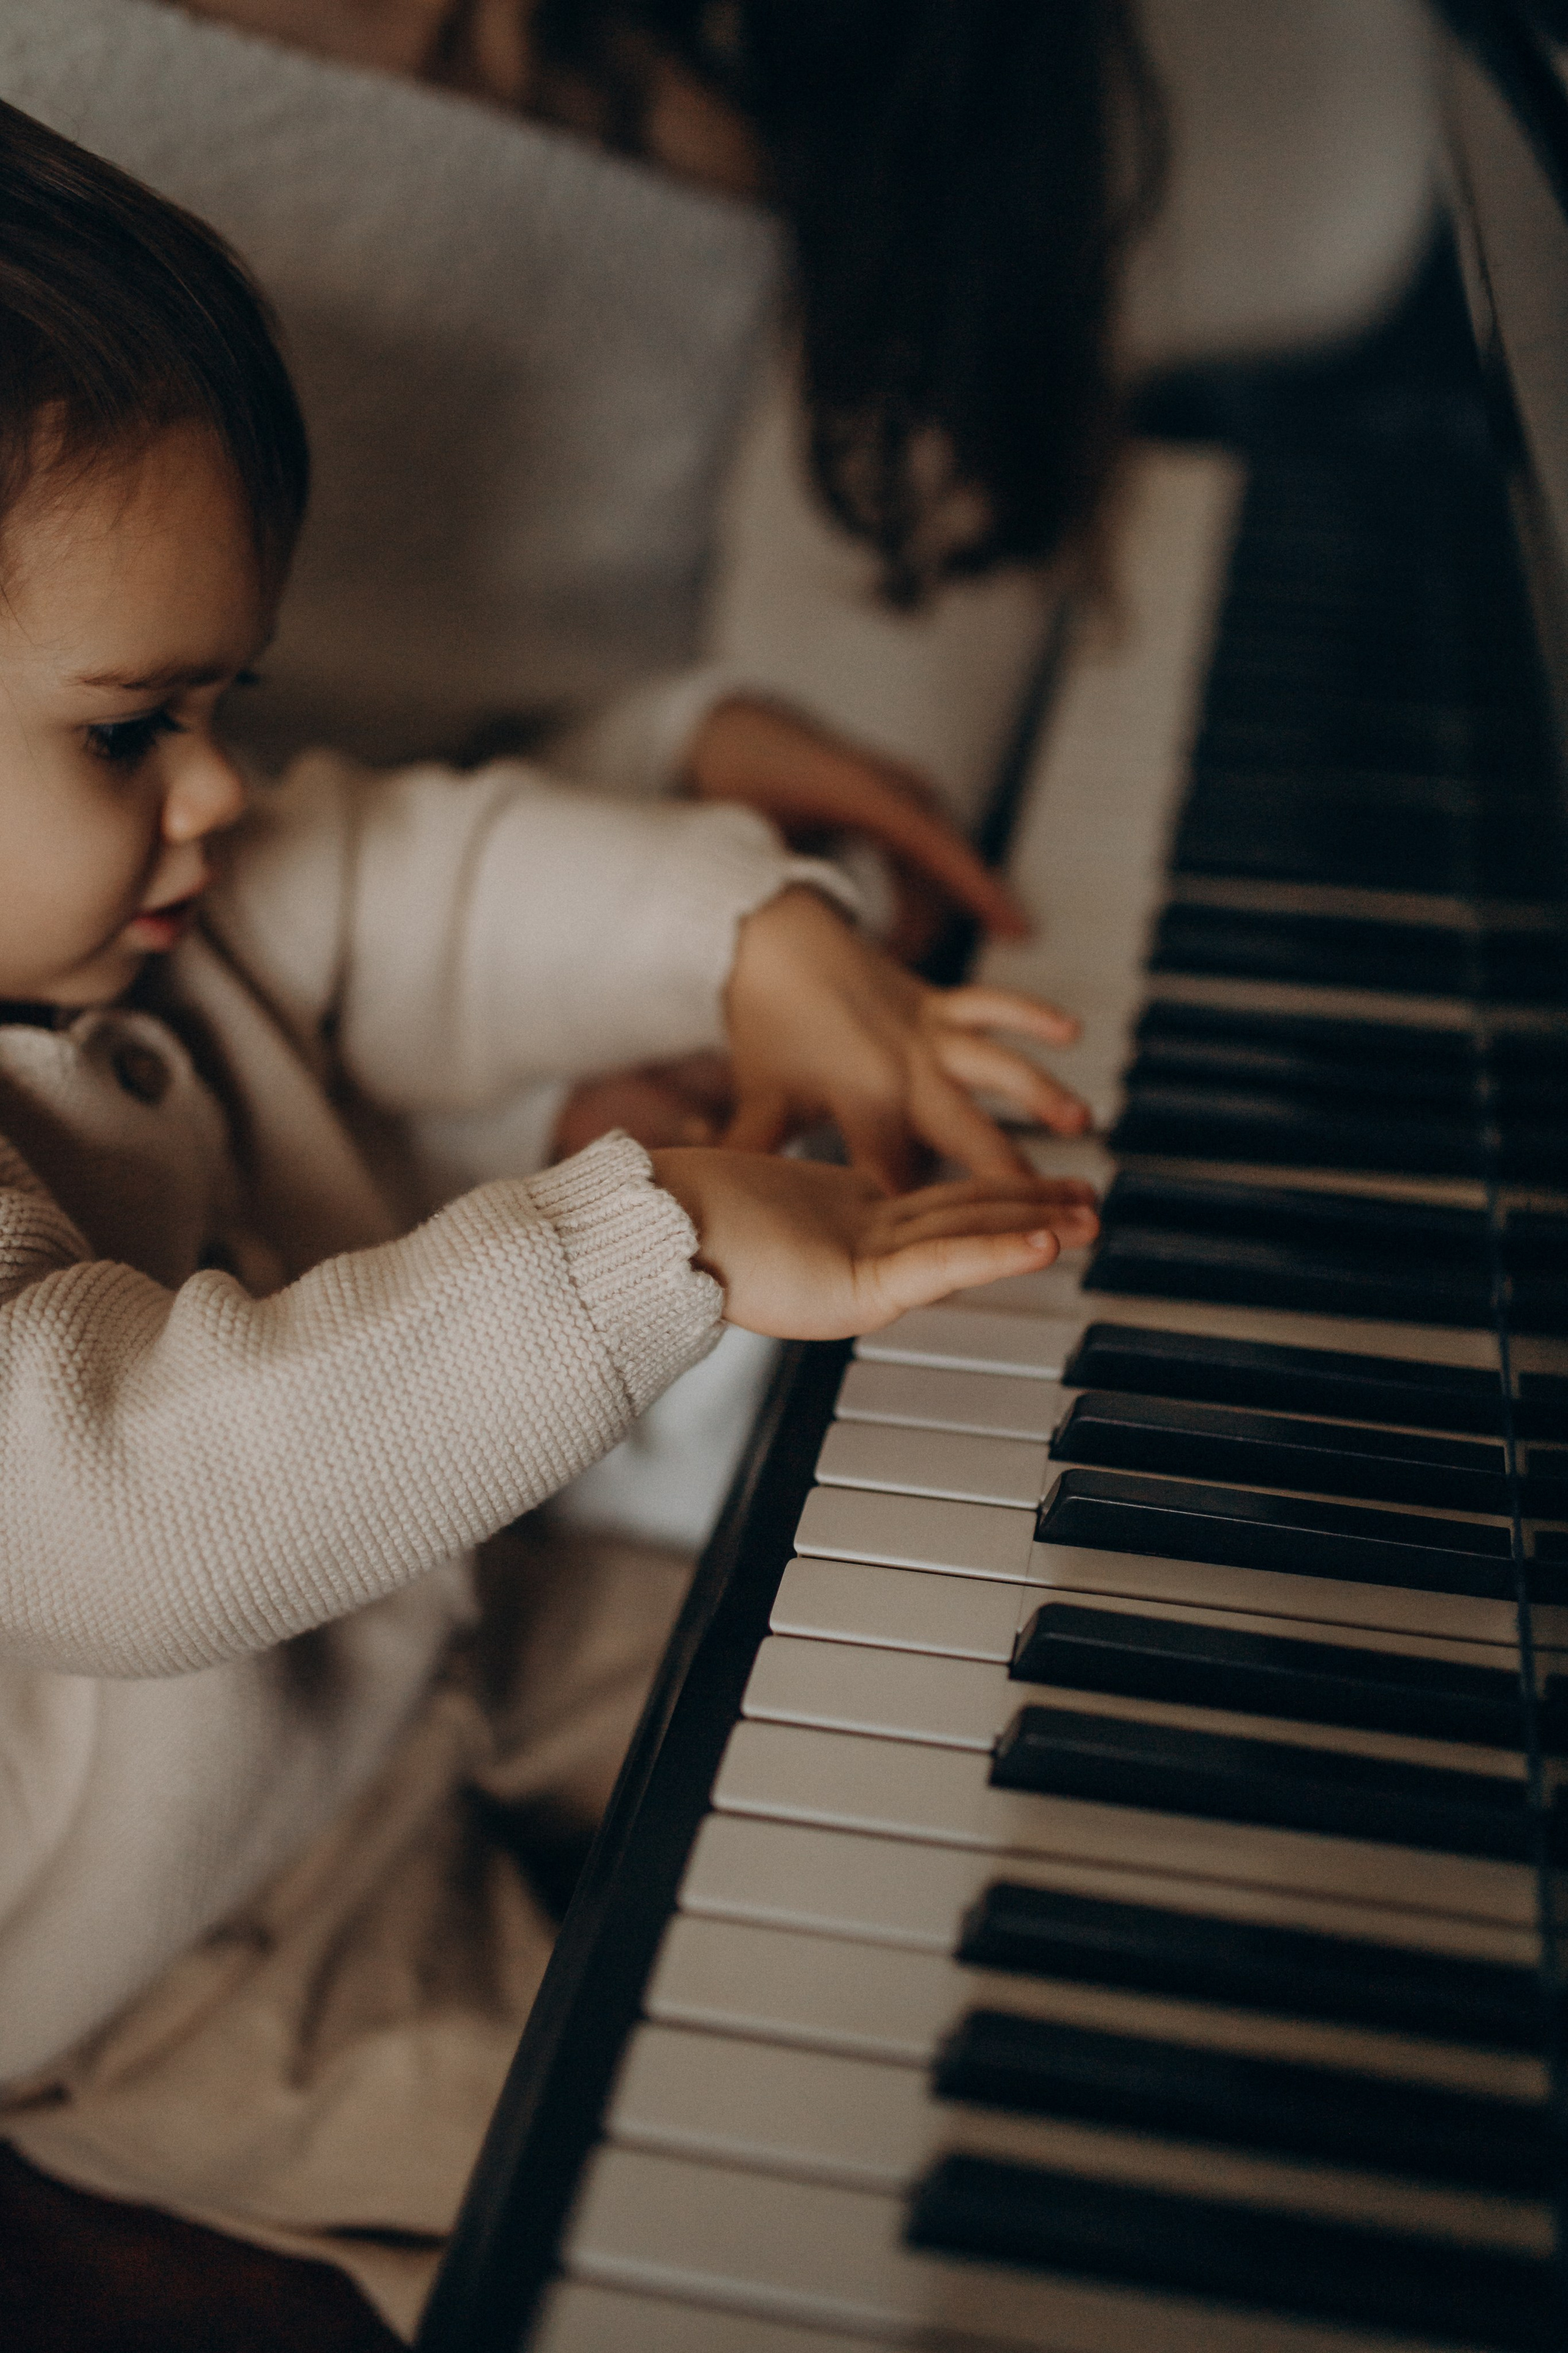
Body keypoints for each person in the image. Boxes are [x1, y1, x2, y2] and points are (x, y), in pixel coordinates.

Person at [0, 100, 1098, 2333]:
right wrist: (651, 1233)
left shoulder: (150, 904)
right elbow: (115, 1494)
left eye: (225, 705)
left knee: (951, 1755)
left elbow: (421, 876)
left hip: (437, 1644)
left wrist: (745, 937)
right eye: (130, 732)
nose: (217, 785)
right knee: (743, 2180)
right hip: (175, 1955)